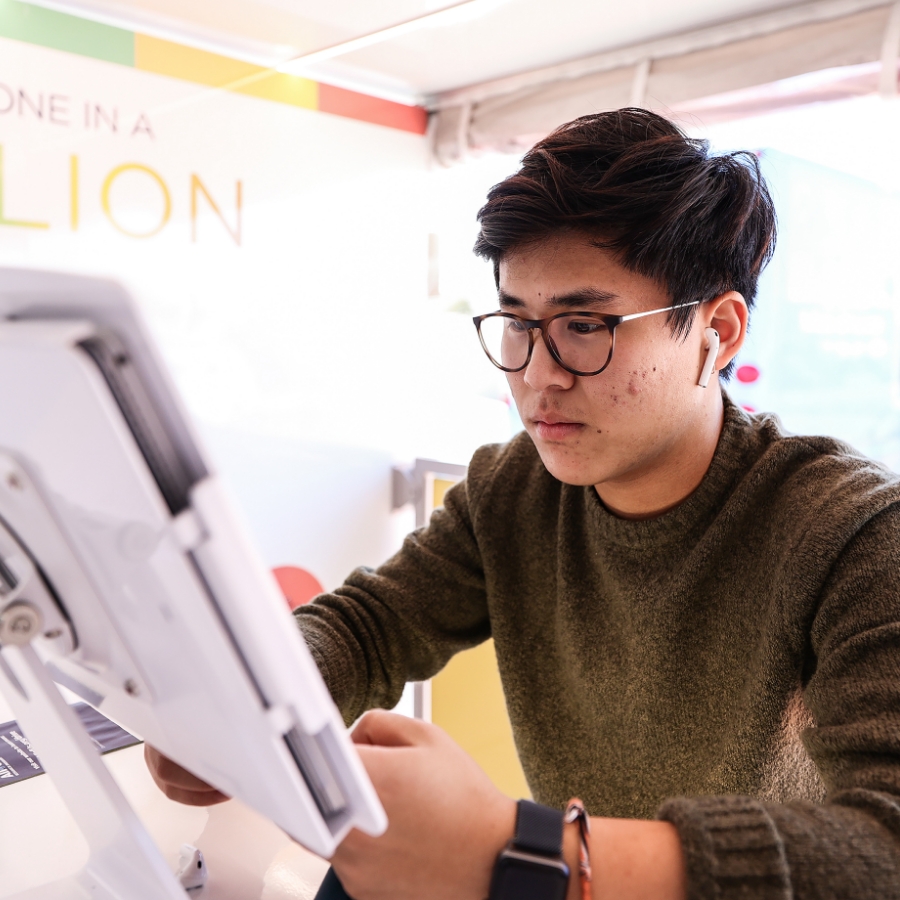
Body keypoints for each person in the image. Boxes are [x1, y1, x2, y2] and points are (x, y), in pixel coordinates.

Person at [146, 108, 900, 899]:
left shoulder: (854, 532)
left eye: (584, 325)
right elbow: (367, 627)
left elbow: (883, 843)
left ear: (718, 331)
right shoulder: (512, 491)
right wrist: (240, 707)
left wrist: (530, 852)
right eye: (515, 324)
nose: (538, 375)